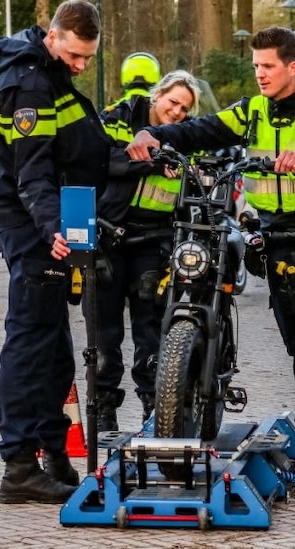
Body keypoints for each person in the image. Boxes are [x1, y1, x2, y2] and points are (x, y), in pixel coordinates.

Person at [125, 27, 295, 488]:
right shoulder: (252, 112)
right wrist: (153, 133)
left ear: (293, 67)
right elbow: (200, 130)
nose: (260, 75)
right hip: (275, 241)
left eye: (268, 66)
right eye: (256, 66)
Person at [0, 0, 111, 504]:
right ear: (53, 36)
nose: (79, 65)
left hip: (32, 223)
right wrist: (55, 229)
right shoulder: (30, 83)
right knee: (30, 345)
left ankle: (53, 452)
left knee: (54, 346)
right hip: (32, 231)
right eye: (74, 55)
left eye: (87, 58)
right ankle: (18, 465)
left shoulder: (32, 66)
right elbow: (31, 172)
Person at [94, 70, 201, 431]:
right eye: (173, 102)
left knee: (151, 332)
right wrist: (150, 164)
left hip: (153, 243)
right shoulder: (117, 118)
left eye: (184, 109)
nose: (177, 113)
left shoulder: (185, 136)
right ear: (157, 95)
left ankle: (154, 410)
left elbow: (196, 182)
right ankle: (104, 412)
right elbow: (100, 161)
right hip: (109, 239)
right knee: (104, 334)